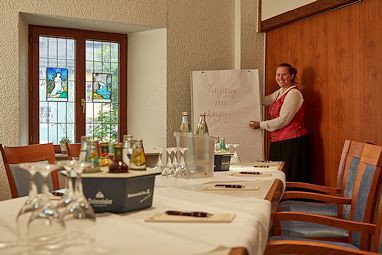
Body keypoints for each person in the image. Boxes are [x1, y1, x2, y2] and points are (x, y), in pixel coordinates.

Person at [249, 63, 310, 182]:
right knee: (278, 176)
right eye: (278, 75)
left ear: (292, 76)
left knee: (289, 177)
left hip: (293, 144)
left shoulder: (294, 94)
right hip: (279, 142)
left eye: (284, 75)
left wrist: (260, 125)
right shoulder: (281, 91)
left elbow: (283, 120)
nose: (280, 78)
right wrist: (246, 95)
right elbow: (264, 100)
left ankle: (292, 201)